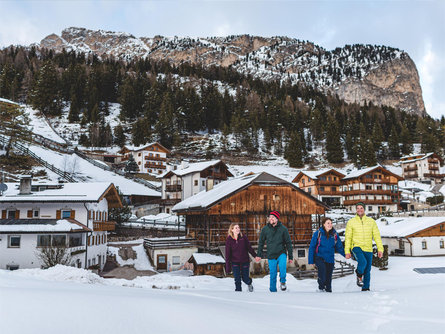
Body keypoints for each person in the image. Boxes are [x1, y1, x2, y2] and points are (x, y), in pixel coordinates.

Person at [345, 202, 383, 291]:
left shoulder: (371, 221)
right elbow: (348, 237)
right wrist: (347, 251)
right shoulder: (351, 222)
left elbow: (377, 236)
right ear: (356, 210)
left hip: (368, 248)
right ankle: (359, 275)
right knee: (362, 262)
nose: (359, 210)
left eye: (361, 208)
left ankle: (366, 289)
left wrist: (380, 249)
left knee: (367, 270)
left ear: (364, 209)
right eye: (357, 208)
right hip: (356, 246)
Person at [255, 211, 293, 292]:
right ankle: (273, 291)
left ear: (277, 219)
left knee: (282, 268)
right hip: (271, 254)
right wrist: (259, 255)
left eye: (272, 217)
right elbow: (261, 243)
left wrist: (290, 256)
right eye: (270, 217)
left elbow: (288, 243)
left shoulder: (283, 229)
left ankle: (283, 282)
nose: (270, 219)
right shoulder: (265, 229)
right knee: (273, 274)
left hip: (281, 253)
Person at [308, 217, 345, 292]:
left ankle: (328, 290)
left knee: (328, 276)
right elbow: (312, 247)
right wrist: (311, 260)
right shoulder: (318, 233)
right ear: (323, 224)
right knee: (322, 271)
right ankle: (321, 288)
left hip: (330, 258)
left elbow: (339, 246)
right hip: (319, 256)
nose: (330, 225)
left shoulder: (334, 234)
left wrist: (345, 254)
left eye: (331, 223)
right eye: (328, 223)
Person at [225, 223, 257, 292]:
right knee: (237, 279)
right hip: (235, 262)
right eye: (236, 228)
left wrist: (255, 256)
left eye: (238, 227)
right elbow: (227, 254)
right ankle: (238, 294)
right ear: (232, 230)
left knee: (245, 278)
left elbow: (249, 248)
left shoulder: (243, 237)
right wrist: (228, 267)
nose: (238, 229)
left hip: (244, 261)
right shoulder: (229, 240)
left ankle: (249, 283)